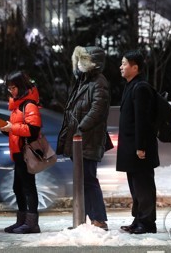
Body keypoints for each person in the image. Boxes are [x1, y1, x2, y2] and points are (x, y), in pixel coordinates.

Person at [57, 46, 111, 230]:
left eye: (83, 60)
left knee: (88, 180)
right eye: (78, 60)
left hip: (88, 139)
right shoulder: (84, 82)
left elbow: (98, 109)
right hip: (79, 140)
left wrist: (80, 128)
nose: (79, 63)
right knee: (83, 180)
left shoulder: (99, 82)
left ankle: (98, 220)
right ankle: (88, 219)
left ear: (93, 63)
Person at [116, 50, 159, 234]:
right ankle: (139, 218)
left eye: (124, 63)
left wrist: (141, 147)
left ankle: (147, 222)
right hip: (131, 147)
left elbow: (142, 120)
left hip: (139, 148)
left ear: (135, 67)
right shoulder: (131, 86)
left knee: (143, 186)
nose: (121, 66)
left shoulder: (141, 87)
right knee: (136, 186)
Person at [1, 71, 42, 234]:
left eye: (13, 87)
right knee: (18, 188)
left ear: (22, 86)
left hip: (26, 153)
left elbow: (33, 130)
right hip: (17, 153)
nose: (11, 91)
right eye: (9, 88)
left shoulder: (29, 105)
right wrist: (6, 128)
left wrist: (12, 127)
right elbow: (17, 129)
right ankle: (22, 221)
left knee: (28, 187)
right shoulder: (17, 106)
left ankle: (32, 223)